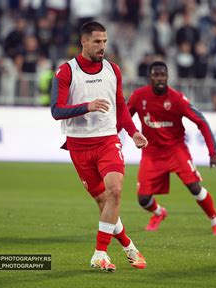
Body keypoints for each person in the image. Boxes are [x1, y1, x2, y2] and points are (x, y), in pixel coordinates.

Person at [51, 21, 148, 272]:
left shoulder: (113, 70)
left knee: (115, 191)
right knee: (104, 202)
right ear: (83, 42)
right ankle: (128, 246)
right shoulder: (66, 72)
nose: (102, 46)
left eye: (104, 41)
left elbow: (120, 105)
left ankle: (99, 254)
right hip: (79, 146)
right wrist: (87, 106)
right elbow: (56, 111)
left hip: (107, 140)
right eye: (97, 41)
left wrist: (134, 131)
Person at [127, 61, 216, 235]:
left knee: (194, 187)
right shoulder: (138, 96)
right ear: (150, 77)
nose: (160, 78)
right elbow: (124, 119)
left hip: (176, 150)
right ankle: (159, 212)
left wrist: (213, 153)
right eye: (156, 75)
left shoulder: (177, 99)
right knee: (143, 199)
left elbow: (201, 122)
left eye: (163, 75)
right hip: (151, 153)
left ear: (167, 77)